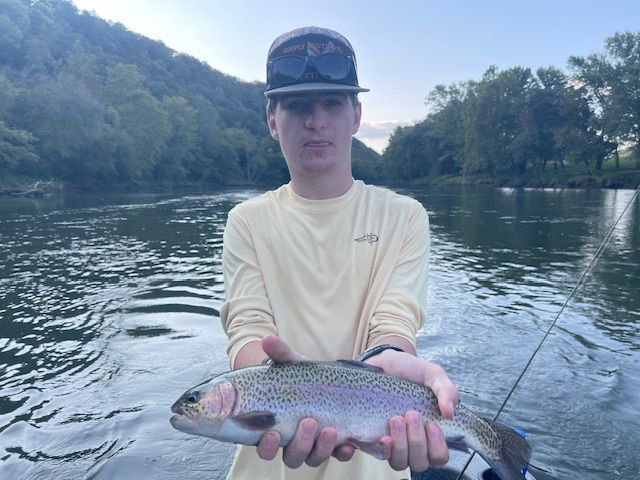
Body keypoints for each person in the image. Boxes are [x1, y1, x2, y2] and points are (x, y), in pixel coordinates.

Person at [220, 26, 459, 480]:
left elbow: (394, 324)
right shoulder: (246, 220)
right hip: (268, 449)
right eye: (297, 105)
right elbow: (247, 331)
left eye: (332, 102)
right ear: (273, 120)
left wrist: (388, 357)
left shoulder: (405, 216)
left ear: (356, 115)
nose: (316, 121)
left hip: (377, 450)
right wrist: (286, 394)